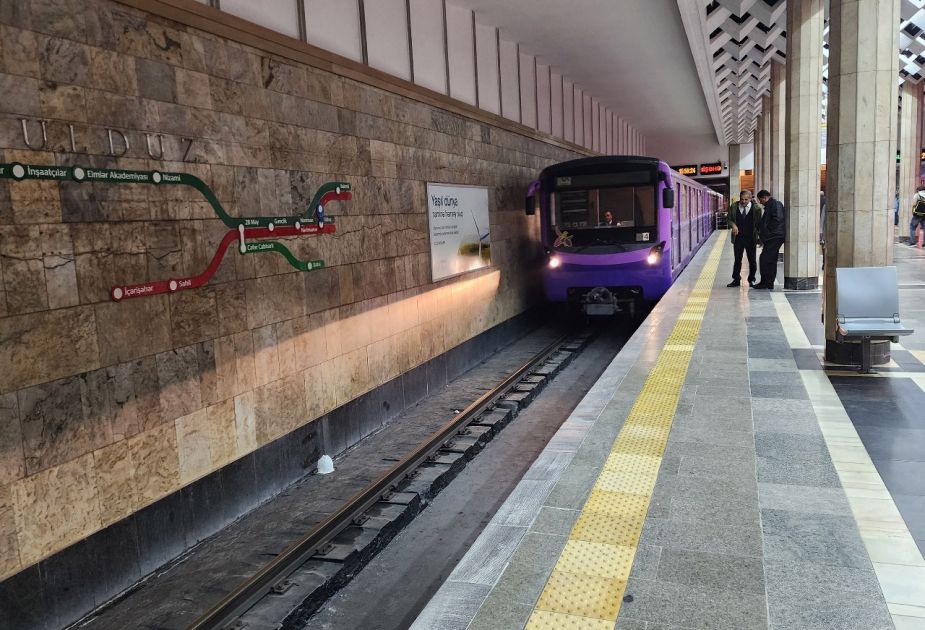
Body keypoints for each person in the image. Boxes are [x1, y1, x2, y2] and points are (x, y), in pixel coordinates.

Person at [725, 190, 761, 287]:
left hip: (751, 239)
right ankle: (736, 279)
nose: (743, 201)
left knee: (752, 260)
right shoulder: (734, 206)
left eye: (746, 199)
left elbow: (759, 224)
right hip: (738, 238)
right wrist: (733, 225)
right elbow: (728, 219)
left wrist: (759, 238)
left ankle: (752, 279)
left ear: (750, 198)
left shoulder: (756, 208)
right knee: (737, 259)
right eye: (742, 199)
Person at [754, 189, 785, 289]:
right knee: (770, 260)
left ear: (764, 198)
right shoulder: (771, 205)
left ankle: (765, 282)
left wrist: (767, 232)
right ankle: (768, 283)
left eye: (760, 200)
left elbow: (777, 220)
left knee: (765, 259)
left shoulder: (775, 204)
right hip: (773, 237)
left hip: (774, 237)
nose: (760, 202)